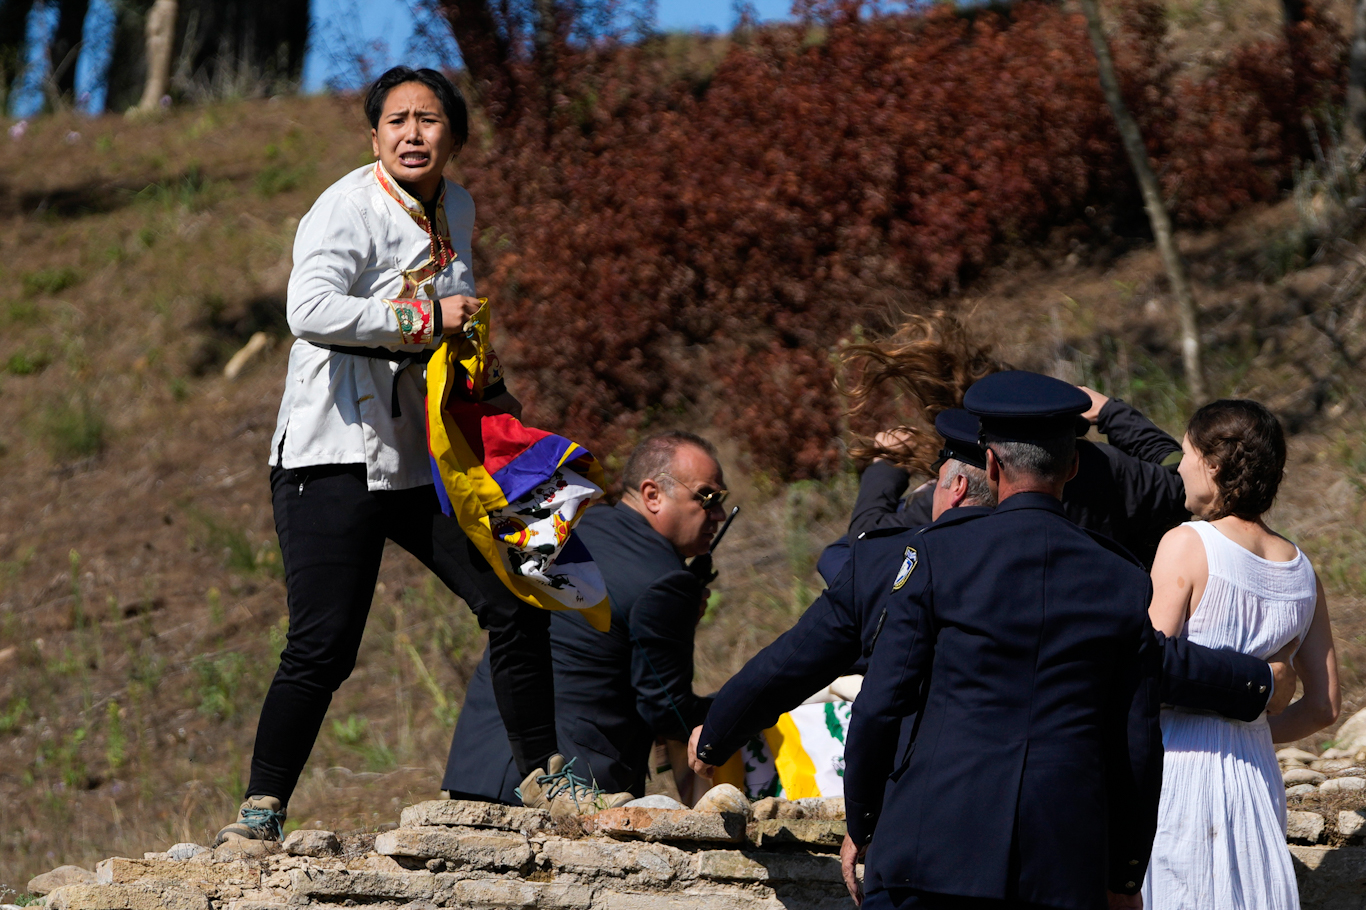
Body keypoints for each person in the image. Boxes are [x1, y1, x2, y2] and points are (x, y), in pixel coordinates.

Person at [216, 66, 579, 844]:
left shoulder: (459, 206)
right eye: (397, 121)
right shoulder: (345, 207)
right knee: (324, 646)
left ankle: (547, 777)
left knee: (514, 595)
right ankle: (259, 811)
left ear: (454, 133)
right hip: (330, 457)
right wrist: (421, 318)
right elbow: (306, 309)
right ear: (373, 135)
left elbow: (461, 315)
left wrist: (494, 393)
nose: (414, 134)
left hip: (423, 458)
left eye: (430, 120)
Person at [690, 409, 1294, 784]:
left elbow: (793, 663)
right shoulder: (1109, 573)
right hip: (1055, 839)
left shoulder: (893, 566)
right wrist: (1256, 683)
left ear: (959, 482)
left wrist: (717, 733)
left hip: (927, 828)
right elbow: (1159, 665)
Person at [841, 370, 1164, 910]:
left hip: (932, 849)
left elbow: (881, 703)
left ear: (990, 464)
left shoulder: (938, 554)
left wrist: (865, 820)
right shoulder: (1122, 577)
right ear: (1074, 466)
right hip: (1063, 862)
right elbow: (1137, 742)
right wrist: (1125, 873)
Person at [442, 432, 724, 805]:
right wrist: (740, 707)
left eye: (721, 502)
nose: (718, 514)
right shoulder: (667, 580)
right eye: (706, 497)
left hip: (478, 767)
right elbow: (667, 710)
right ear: (653, 495)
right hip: (569, 786)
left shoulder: (574, 526)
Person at [1142, 400, 1339, 909]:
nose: (1180, 466)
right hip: (1256, 769)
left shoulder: (1187, 543)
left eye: (1185, 452)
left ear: (1214, 462)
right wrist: (1249, 730)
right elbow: (1325, 706)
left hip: (1179, 764)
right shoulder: (1302, 568)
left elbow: (1144, 669)